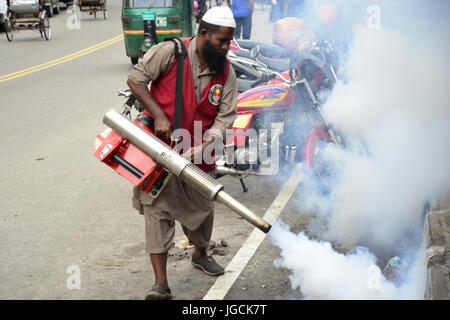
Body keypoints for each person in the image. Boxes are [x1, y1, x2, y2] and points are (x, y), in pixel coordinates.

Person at [126, 6, 237, 300]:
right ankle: (160, 283)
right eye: (221, 41)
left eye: (229, 41)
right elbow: (135, 80)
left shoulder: (226, 71)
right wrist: (158, 114)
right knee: (157, 211)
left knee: (203, 208)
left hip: (200, 153)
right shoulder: (169, 52)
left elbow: (226, 117)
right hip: (160, 152)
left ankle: (200, 254)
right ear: (203, 34)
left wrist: (206, 143)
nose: (226, 47)